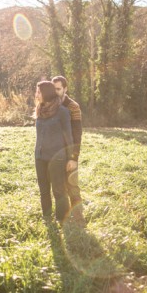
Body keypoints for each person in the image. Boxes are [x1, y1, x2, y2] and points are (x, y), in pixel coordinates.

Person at [34, 81, 76, 225]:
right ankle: (47, 218)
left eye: (38, 92)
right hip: (39, 157)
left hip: (56, 158)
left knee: (58, 191)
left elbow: (69, 137)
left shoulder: (62, 112)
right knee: (43, 190)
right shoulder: (40, 109)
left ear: (45, 93)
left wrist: (71, 158)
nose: (36, 94)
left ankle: (61, 220)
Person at [52, 75, 85, 226]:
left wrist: (74, 157)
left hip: (69, 153)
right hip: (54, 154)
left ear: (65, 89)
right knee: (58, 187)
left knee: (72, 185)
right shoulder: (50, 105)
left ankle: (79, 218)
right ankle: (63, 218)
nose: (56, 92)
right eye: (54, 89)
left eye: (58, 89)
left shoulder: (73, 106)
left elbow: (77, 134)